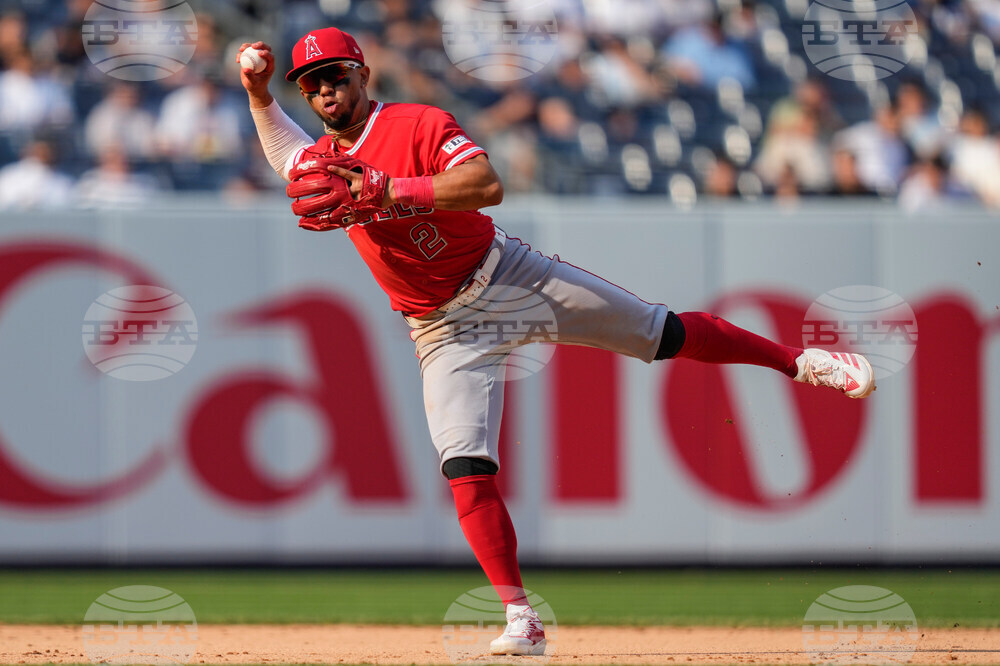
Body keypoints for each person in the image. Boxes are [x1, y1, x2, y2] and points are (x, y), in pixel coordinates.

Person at [238, 28, 876, 657]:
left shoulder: (417, 122)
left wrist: (391, 190)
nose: (324, 89)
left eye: (335, 74)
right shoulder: (321, 158)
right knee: (464, 465)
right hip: (440, 326)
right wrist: (259, 93)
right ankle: (521, 616)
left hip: (507, 275)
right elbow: (282, 152)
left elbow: (486, 185)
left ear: (362, 74)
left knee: (663, 332)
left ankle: (804, 363)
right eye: (311, 82)